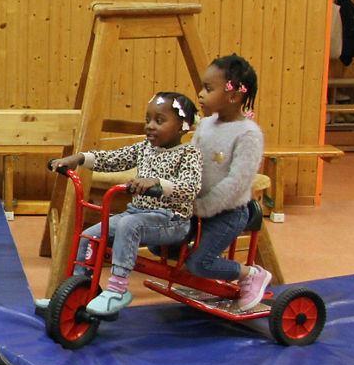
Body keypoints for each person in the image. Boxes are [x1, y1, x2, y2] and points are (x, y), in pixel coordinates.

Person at [47, 93, 203, 318]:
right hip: (138, 214)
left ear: (183, 127)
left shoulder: (189, 154)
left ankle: (117, 290)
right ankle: (80, 288)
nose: (150, 126)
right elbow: (112, 159)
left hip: (172, 220)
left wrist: (158, 183)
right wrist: (80, 158)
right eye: (148, 119)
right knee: (90, 235)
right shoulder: (144, 148)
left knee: (129, 225)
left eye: (159, 121)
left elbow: (190, 187)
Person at [190, 54, 272, 311]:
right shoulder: (204, 125)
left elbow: (236, 183)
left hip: (228, 213)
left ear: (233, 95)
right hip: (197, 208)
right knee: (162, 245)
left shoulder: (248, 134)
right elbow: (190, 163)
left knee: (198, 263)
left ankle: (251, 274)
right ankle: (214, 274)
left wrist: (203, 207)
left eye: (208, 89)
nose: (200, 94)